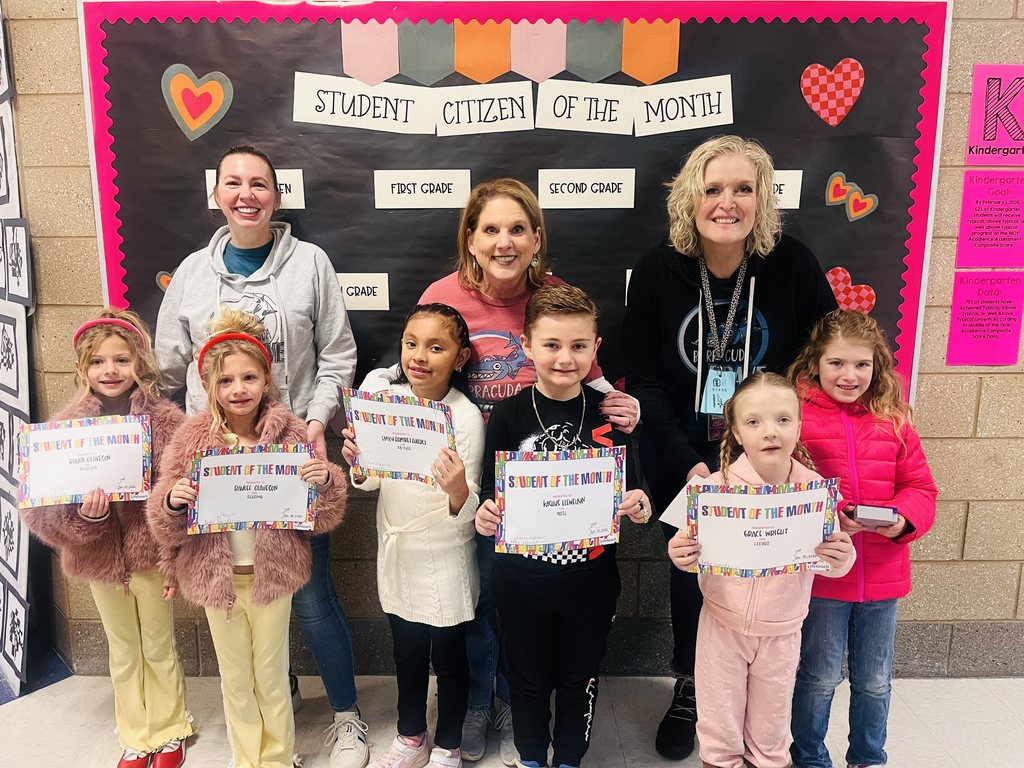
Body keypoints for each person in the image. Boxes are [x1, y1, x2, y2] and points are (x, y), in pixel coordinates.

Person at [361, 179, 638, 765]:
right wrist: (370, 399)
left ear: (537, 238)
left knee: (517, 600)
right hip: (469, 474)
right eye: (490, 229)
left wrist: (621, 400)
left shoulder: (556, 295)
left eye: (517, 229)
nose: (504, 242)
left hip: (544, 489)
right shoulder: (445, 291)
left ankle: (517, 701)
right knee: (484, 599)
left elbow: (589, 371)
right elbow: (411, 358)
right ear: (470, 236)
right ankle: (482, 705)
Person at [624, 135, 837, 760]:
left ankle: (762, 694)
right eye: (714, 188)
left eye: (743, 188)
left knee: (766, 571)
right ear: (691, 198)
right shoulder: (659, 270)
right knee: (692, 572)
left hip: (768, 456)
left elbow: (823, 361)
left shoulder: (792, 264)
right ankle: (692, 688)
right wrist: (692, 467)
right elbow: (648, 381)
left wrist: (784, 452)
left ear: (762, 199)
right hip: (681, 454)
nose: (727, 202)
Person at [154, 145, 366, 766]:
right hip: (215, 466)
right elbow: (167, 368)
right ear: (215, 193)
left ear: (277, 195)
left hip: (287, 460)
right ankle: (272, 711)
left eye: (260, 184)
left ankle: (347, 716)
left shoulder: (312, 264)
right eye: (234, 183)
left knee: (311, 594)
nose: (247, 194)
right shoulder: (192, 272)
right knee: (236, 593)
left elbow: (337, 356)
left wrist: (316, 425)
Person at [147, 309, 348, 768]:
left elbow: (320, 517)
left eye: (249, 378)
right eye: (226, 381)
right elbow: (163, 519)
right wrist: (174, 502)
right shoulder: (191, 440)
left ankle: (276, 758)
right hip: (218, 578)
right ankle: (247, 759)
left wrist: (324, 482)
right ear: (209, 386)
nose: (238, 390)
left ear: (266, 381)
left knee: (271, 674)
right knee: (235, 678)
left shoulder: (290, 434)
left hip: (271, 576)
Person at [474, 285, 651, 768]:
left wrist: (639, 504)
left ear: (596, 348)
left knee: (580, 679)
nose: (564, 358)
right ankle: (532, 758)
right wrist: (486, 513)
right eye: (551, 345)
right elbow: (492, 491)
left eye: (578, 346)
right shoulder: (509, 413)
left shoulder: (610, 411)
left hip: (590, 581)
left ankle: (570, 759)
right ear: (527, 345)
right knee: (526, 680)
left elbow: (634, 490)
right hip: (521, 581)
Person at [20, 309, 191, 768]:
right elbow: (41, 512)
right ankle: (135, 733)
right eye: (98, 362)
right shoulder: (63, 431)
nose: (110, 370)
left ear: (140, 362)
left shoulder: (167, 421)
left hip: (151, 556)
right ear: (82, 367)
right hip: (99, 559)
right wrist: (86, 518)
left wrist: (174, 560)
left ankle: (171, 728)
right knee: (123, 647)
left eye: (121, 359)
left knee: (158, 643)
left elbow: (183, 494)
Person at [667, 372, 855, 768]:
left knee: (771, 735)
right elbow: (684, 547)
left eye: (783, 420)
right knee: (719, 729)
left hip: (782, 633)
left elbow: (831, 559)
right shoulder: (713, 488)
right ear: (734, 431)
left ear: (799, 425)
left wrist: (843, 559)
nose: (771, 432)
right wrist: (679, 552)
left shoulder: (815, 491)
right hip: (722, 627)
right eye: (754, 422)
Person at [787, 310, 937, 768]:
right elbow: (784, 488)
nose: (849, 375)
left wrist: (903, 520)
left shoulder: (893, 419)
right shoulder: (796, 417)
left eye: (861, 364)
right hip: (826, 576)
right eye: (837, 363)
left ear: (877, 366)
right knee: (818, 677)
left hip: (884, 576)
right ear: (815, 363)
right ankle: (809, 757)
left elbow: (921, 487)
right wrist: (832, 518)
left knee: (875, 679)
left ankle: (868, 757)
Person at [344, 304, 484, 768]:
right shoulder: (388, 404)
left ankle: (448, 743)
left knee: (449, 659)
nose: (419, 356)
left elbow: (471, 501)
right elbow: (373, 480)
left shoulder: (464, 417)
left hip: (446, 557)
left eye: (436, 347)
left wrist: (457, 488)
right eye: (410, 344)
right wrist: (360, 465)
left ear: (460, 358)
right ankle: (410, 735)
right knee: (405, 654)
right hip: (399, 553)